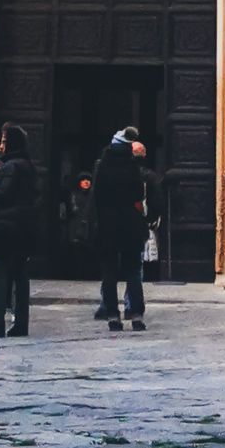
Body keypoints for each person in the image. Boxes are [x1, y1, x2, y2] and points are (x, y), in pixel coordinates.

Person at [0, 123, 39, 340]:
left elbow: (1, 195)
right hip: (24, 226)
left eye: (3, 141)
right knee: (21, 276)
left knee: (0, 274)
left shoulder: (12, 167)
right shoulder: (28, 165)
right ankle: (21, 322)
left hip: (7, 226)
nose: (1, 145)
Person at [91, 127, 150, 332]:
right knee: (133, 271)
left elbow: (95, 199)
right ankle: (136, 314)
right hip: (130, 226)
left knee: (109, 272)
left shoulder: (102, 167)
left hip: (107, 227)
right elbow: (137, 196)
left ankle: (112, 316)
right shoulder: (132, 167)